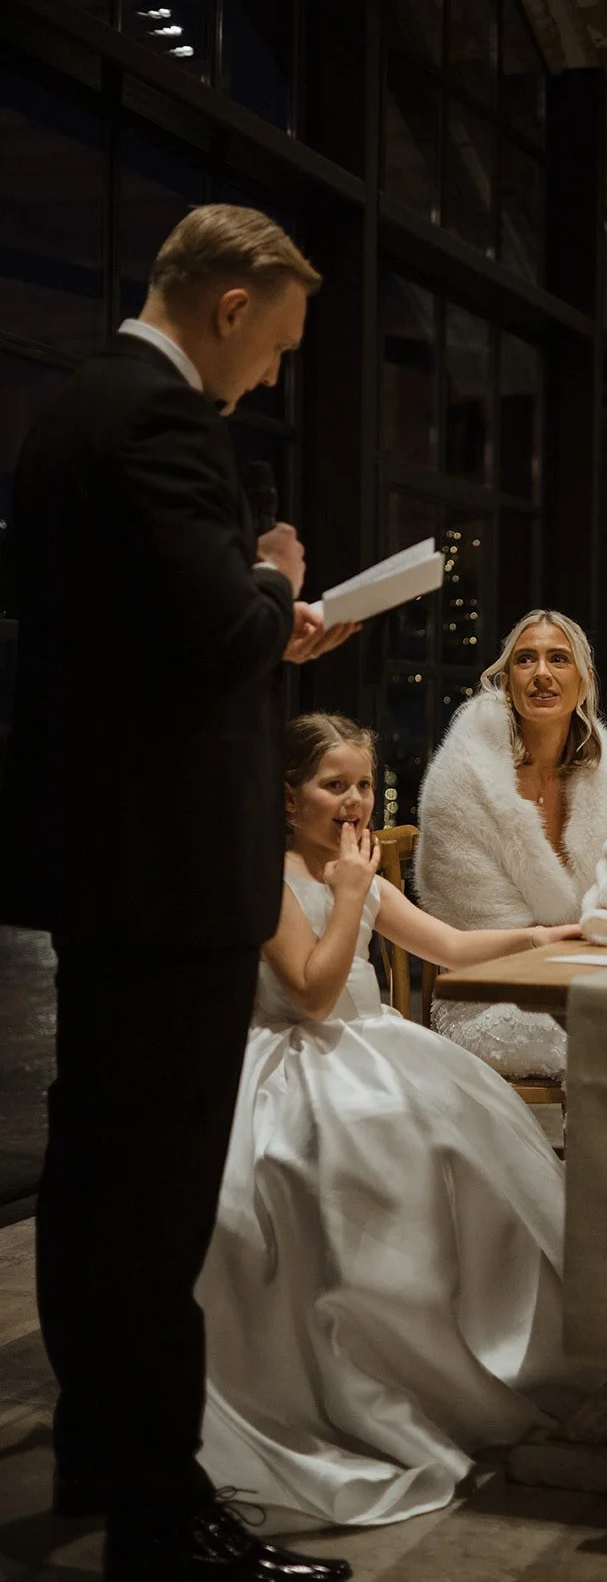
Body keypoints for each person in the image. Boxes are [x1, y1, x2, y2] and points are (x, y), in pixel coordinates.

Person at [0, 206, 356, 1581]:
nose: (271, 372)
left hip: (106, 868)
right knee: (150, 1207)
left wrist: (246, 600)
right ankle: (164, 1517)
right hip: (167, 876)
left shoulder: (68, 415)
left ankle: (101, 1453)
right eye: (276, 342)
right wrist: (274, 581)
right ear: (229, 305)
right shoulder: (160, 424)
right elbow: (218, 638)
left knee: (94, 1182)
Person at [195, 713, 583, 1525]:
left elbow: (445, 944)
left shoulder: (359, 872)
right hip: (292, 1060)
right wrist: (343, 895)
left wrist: (543, 932)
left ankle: (472, 1350)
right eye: (332, 784)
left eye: (363, 784)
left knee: (470, 1147)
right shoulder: (266, 876)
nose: (353, 801)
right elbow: (311, 990)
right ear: (288, 795)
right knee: (346, 1163)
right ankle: (362, 1368)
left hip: (375, 1047)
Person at [415, 609, 607, 1078]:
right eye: (526, 660)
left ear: (583, 681)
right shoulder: (463, 783)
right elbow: (471, 921)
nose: (542, 674)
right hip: (482, 997)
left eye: (558, 659)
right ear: (506, 681)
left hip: (588, 982)